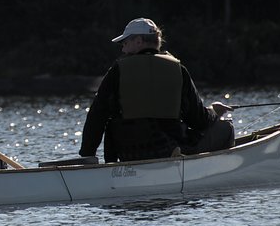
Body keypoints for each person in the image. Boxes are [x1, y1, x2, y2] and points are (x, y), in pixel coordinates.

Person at [79, 18, 234, 162]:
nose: (123, 49)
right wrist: (214, 112)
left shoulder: (117, 71)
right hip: (171, 148)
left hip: (129, 154)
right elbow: (198, 119)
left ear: (138, 41)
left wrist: (88, 156)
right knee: (226, 127)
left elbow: (96, 116)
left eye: (125, 43)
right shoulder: (178, 69)